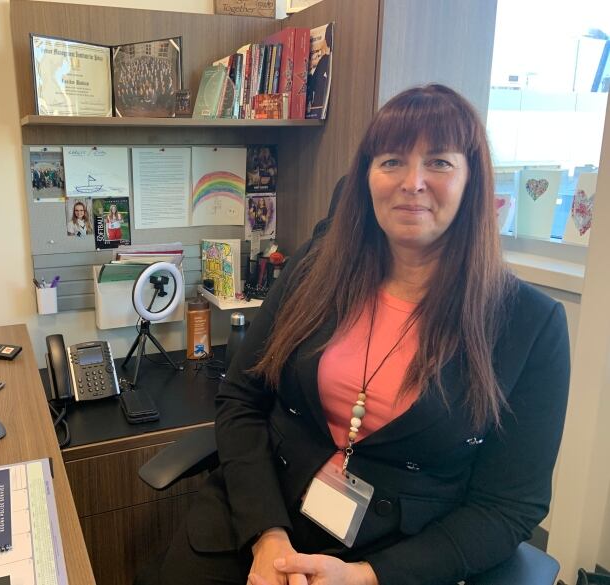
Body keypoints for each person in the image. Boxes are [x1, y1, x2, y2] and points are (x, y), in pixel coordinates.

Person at [138, 84, 570, 585]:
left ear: (473, 182)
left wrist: (368, 576)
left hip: (395, 558)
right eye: (391, 161)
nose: (412, 182)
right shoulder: (315, 269)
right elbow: (241, 396)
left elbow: (508, 506)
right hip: (260, 516)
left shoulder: (528, 325)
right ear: (366, 177)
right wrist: (268, 538)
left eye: (439, 162)